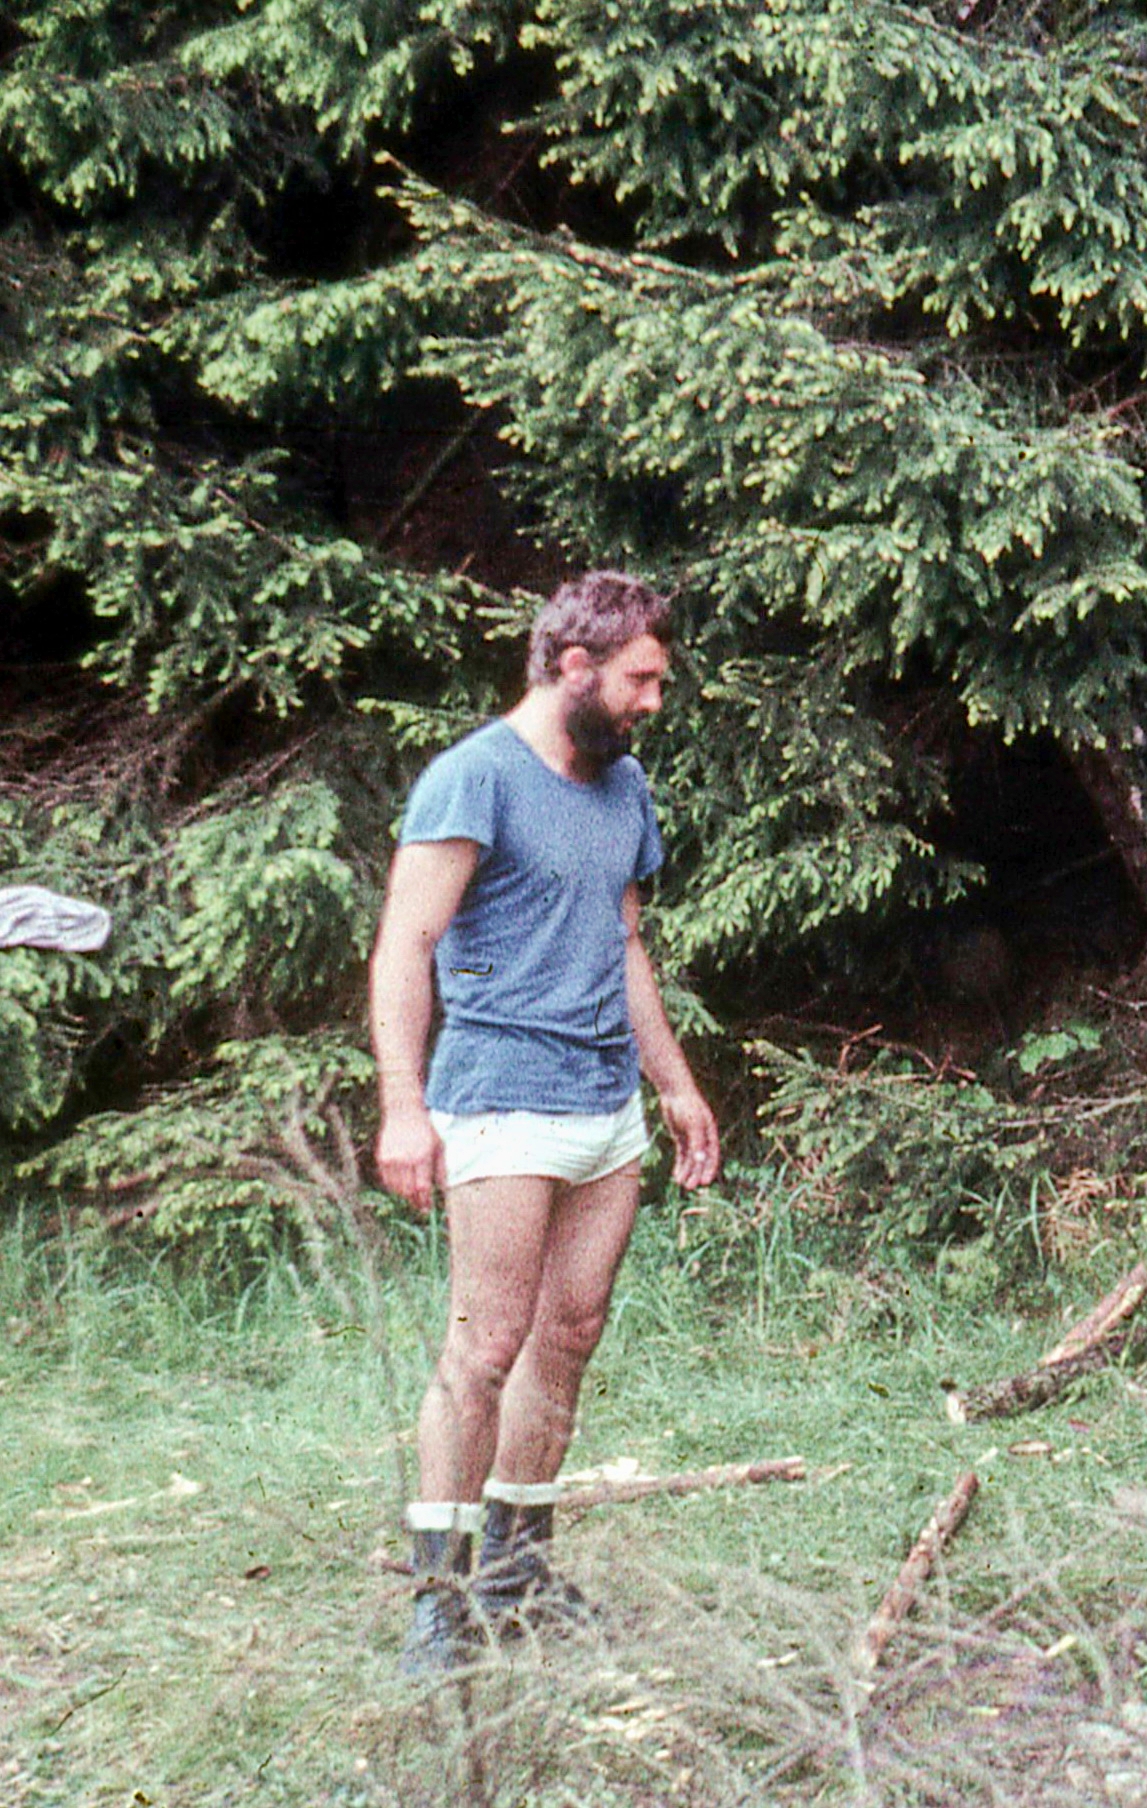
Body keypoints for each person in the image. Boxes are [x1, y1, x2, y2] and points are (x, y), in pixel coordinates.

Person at [370, 571, 723, 1675]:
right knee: (484, 1347)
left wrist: (675, 1085)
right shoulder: (473, 777)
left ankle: (517, 1576)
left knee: (567, 1338)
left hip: (605, 1110)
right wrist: (403, 1108)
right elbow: (405, 946)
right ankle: (439, 1601)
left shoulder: (625, 786)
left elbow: (624, 943)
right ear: (574, 666)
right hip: (499, 1102)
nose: (653, 702)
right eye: (639, 680)